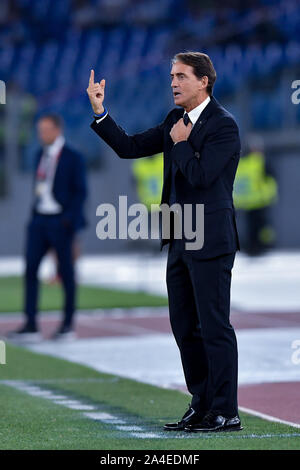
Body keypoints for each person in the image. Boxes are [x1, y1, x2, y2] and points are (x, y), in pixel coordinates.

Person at [87, 51, 242, 433]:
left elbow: (203, 176)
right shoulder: (175, 120)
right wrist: (100, 112)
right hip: (179, 238)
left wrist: (183, 144)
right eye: (172, 76)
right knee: (185, 327)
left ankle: (226, 411)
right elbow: (129, 147)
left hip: (210, 239)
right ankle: (202, 403)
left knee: (214, 326)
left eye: (181, 76)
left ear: (204, 80)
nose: (173, 82)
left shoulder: (224, 126)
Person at [10, 114, 87, 341]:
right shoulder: (39, 155)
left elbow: (80, 192)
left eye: (45, 130)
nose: (41, 134)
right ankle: (31, 324)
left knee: (66, 274)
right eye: (39, 130)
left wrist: (68, 221)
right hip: (39, 220)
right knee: (30, 270)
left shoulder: (73, 157)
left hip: (60, 221)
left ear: (57, 129)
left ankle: (67, 325)